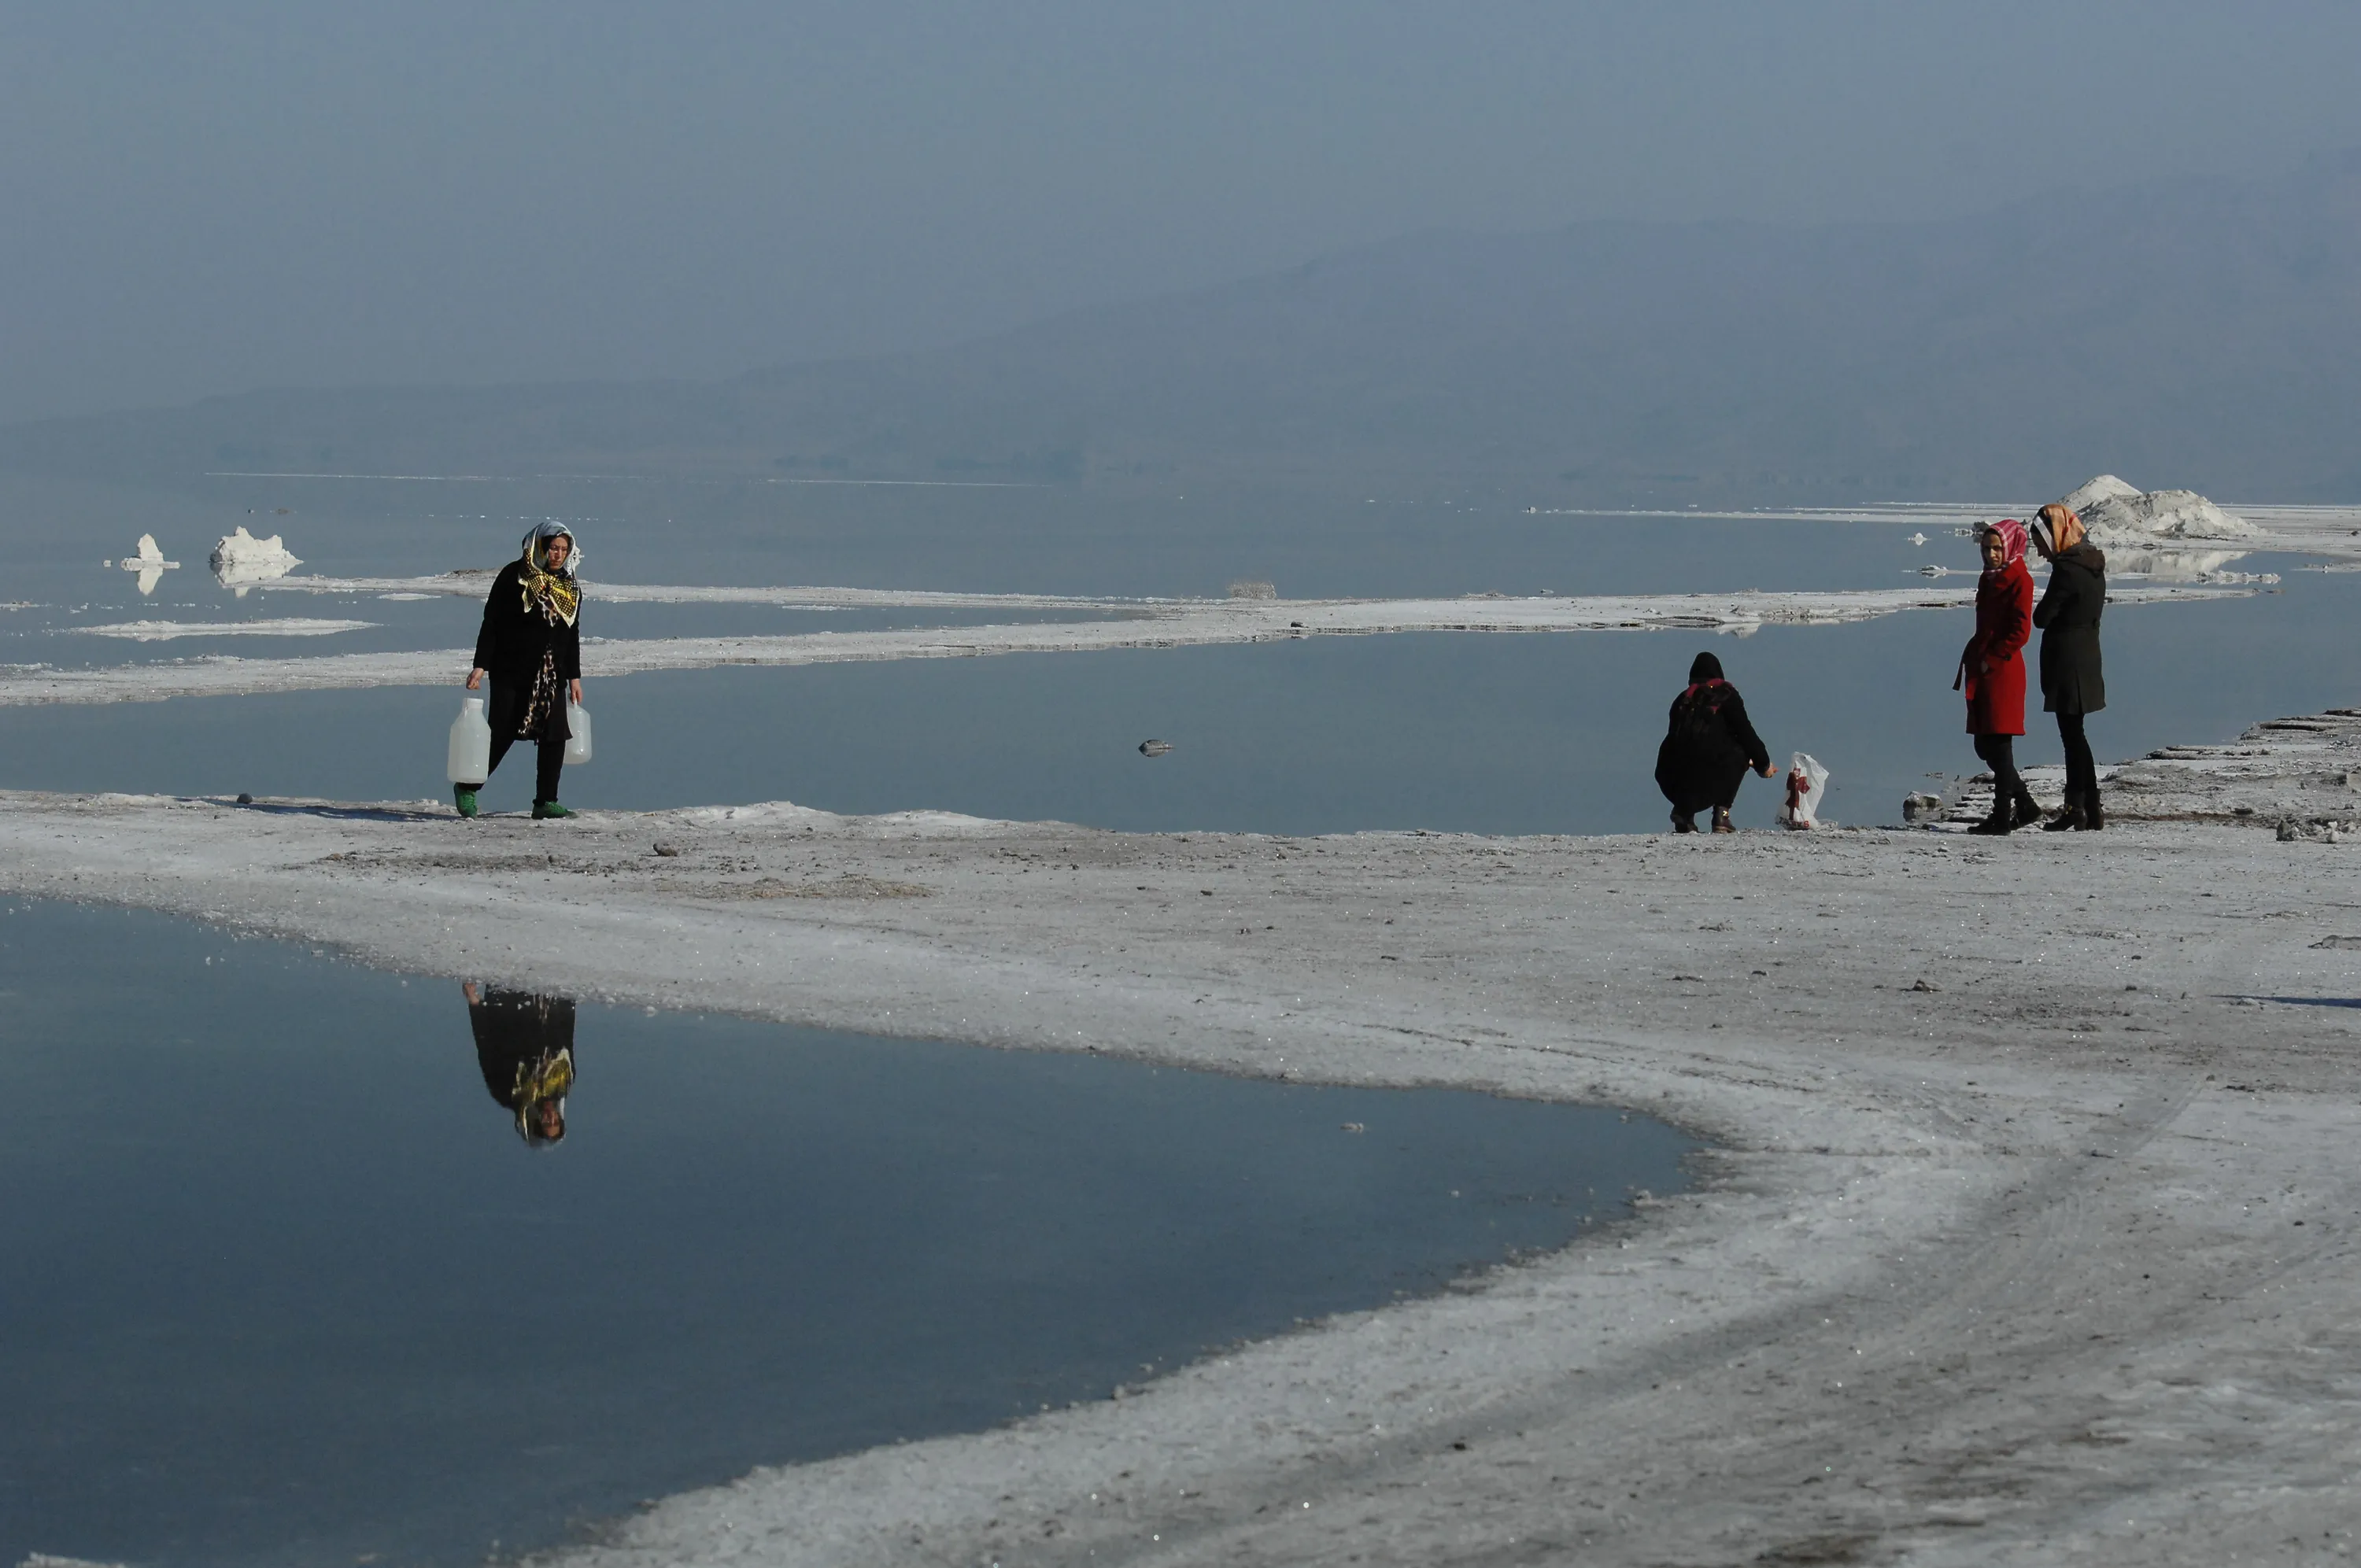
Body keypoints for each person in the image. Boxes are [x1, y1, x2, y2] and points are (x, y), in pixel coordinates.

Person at [458, 522, 582, 820]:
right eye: (554, 548)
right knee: (502, 731)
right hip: (511, 669)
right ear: (540, 545)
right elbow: (492, 623)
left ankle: (546, 801)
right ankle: (467, 787)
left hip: (551, 672)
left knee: (554, 735)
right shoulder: (514, 576)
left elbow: (572, 632)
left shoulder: (569, 584)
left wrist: (574, 677)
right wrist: (481, 665)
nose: (558, 555)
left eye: (564, 550)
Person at [1956, 518, 2041, 834]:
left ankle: (2003, 815)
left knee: (1999, 744)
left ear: (2009, 547)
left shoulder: (2020, 579)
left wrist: (1991, 659)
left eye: (1996, 549)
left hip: (2002, 670)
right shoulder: (1989, 578)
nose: (1990, 555)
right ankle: (2025, 804)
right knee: (1984, 744)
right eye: (1986, 548)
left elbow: (2021, 631)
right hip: (1984, 666)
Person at [2030, 501, 2107, 830]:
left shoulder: (2067, 570)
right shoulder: (2093, 566)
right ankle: (2087, 807)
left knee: (2072, 738)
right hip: (2088, 657)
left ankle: (2082, 807)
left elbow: (2042, 617)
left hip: (2068, 661)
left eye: (2042, 545)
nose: (2042, 553)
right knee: (2076, 736)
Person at [1655, 651, 1775, 834]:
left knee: (1688, 756)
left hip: (1669, 776)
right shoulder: (1726, 695)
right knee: (1738, 753)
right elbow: (1745, 732)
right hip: (1710, 772)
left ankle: (1684, 814)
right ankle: (1722, 814)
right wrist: (1763, 764)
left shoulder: (1682, 700)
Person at [463, 981, 575, 1147]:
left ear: (535, 1123)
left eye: (546, 1123)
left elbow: (485, 1046)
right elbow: (567, 1034)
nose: (551, 1118)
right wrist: (569, 998)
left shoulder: (507, 1094)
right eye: (556, 1122)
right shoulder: (564, 1082)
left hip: (507, 1001)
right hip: (548, 996)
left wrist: (474, 1002)